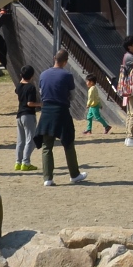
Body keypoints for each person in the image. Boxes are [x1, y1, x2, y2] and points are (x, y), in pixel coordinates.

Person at [35, 49, 87, 186]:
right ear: (65, 61)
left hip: (46, 111)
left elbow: (41, 92)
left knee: (47, 146)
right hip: (61, 111)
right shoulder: (67, 75)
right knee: (68, 143)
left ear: (54, 58)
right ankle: (74, 174)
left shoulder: (43, 74)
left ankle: (47, 178)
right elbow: (72, 95)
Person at [12, 65, 41, 171]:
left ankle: (18, 162)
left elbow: (17, 89)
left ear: (21, 75)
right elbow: (30, 103)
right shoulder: (31, 87)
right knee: (31, 139)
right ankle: (26, 162)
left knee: (20, 140)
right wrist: (40, 104)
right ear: (32, 75)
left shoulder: (19, 86)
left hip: (19, 115)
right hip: (28, 115)